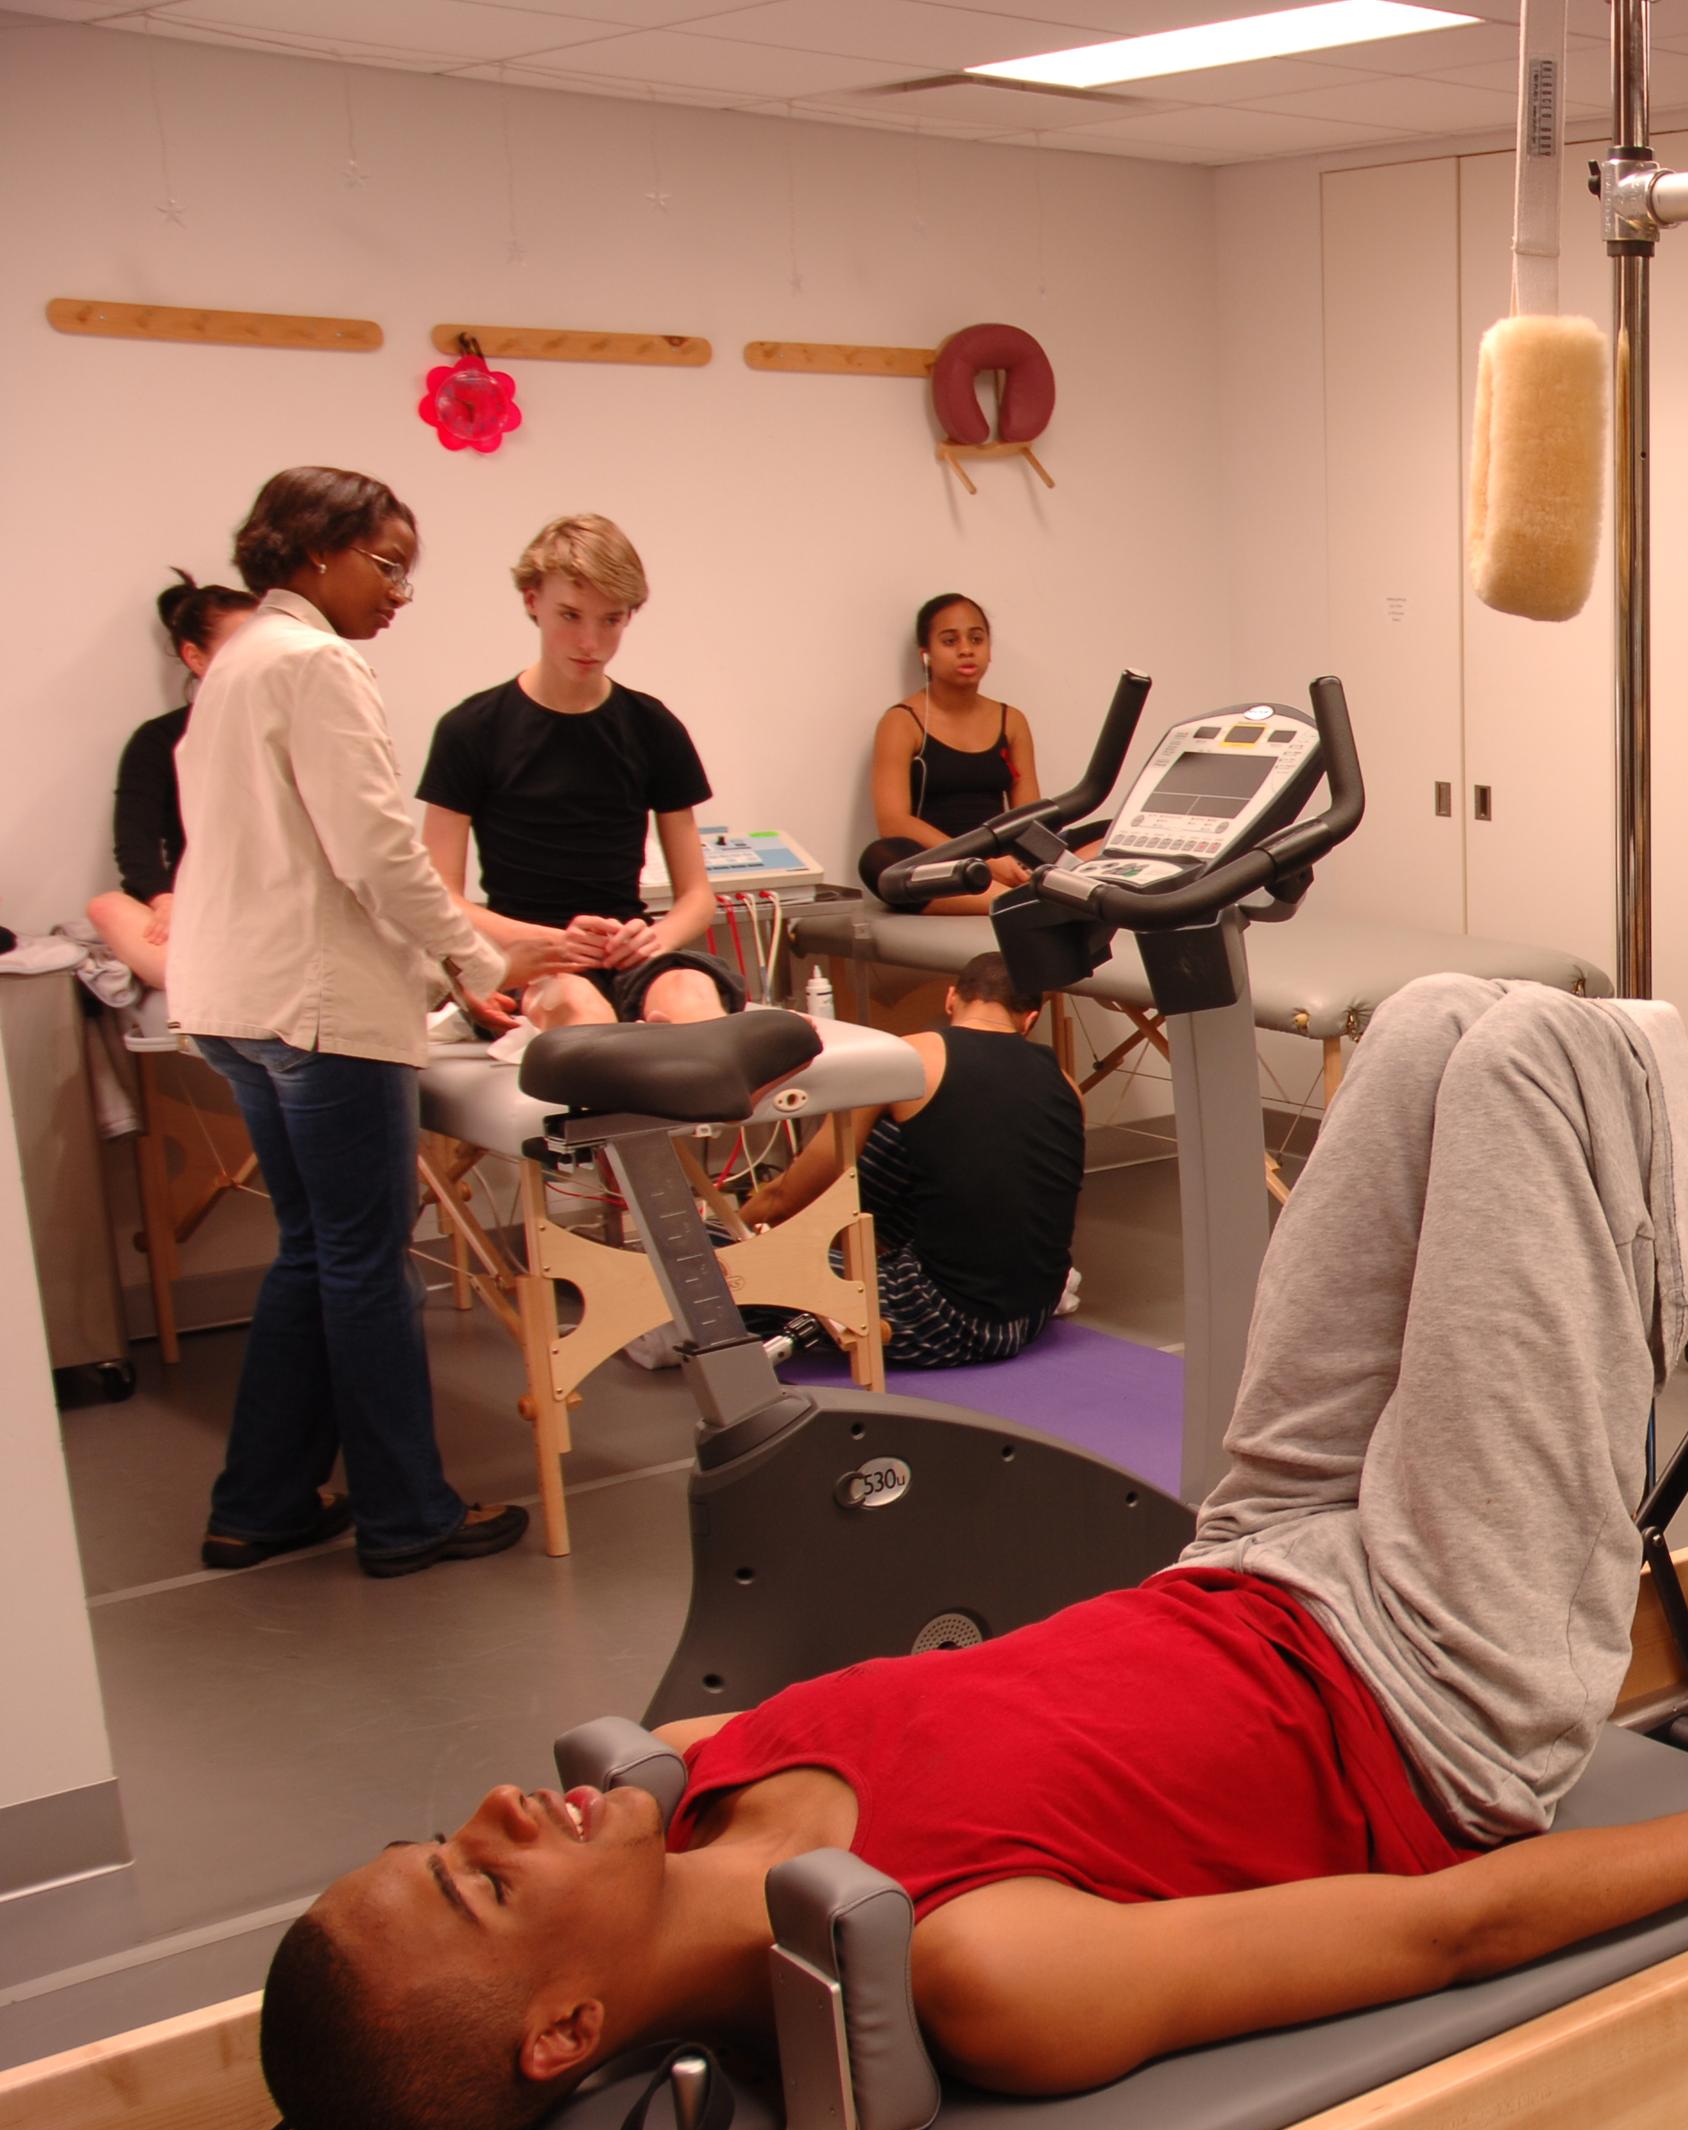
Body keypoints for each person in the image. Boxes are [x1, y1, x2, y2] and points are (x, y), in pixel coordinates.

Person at [254, 977, 1688, 2130]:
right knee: (1546, 1061)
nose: (493, 1813)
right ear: (566, 2031)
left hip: (1255, 1563)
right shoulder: (976, 1973)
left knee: (1433, 1033)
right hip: (1436, 1696)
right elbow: (1443, 1925)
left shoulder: (701, 1782)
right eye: (479, 1890)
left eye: (441, 1844)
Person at [170, 468, 565, 1579]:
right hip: (317, 1004)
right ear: (312, 551)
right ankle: (407, 1513)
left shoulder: (238, 658)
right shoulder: (317, 664)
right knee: (362, 1260)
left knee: (314, 1252)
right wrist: (478, 959)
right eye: (386, 566)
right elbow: (380, 854)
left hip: (236, 999)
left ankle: (261, 1503)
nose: (399, 593)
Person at [420, 515, 743, 1031]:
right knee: (578, 1008)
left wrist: (654, 937)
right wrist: (551, 942)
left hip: (629, 950)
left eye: (610, 621)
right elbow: (441, 898)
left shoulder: (653, 726)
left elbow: (696, 897)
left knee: (692, 996)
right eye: (570, 616)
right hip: (534, 957)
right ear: (532, 601)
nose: (590, 641)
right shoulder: (471, 729)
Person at [738, 953, 1087, 1367]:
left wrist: (741, 1231)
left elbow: (785, 1199)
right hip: (1032, 1313)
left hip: (943, 1318)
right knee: (929, 1127)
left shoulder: (906, 1056)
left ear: (951, 998)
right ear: (1028, 1020)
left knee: (710, 1249)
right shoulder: (1067, 1085)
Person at [84, 571, 259, 993]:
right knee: (107, 907)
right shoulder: (158, 741)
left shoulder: (286, 728)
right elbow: (135, 844)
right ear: (195, 657)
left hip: (271, 907)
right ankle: (214, 988)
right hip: (196, 907)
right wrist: (165, 900)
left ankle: (229, 985)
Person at [859, 592, 1042, 916]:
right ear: (925, 654)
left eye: (976, 638)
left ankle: (1027, 890)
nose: (966, 649)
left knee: (1111, 834)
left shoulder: (1011, 720)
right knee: (880, 861)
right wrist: (979, 862)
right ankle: (1012, 900)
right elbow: (892, 821)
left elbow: (1030, 818)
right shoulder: (902, 721)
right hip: (942, 864)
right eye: (950, 641)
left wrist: (1016, 861)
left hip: (1005, 859)